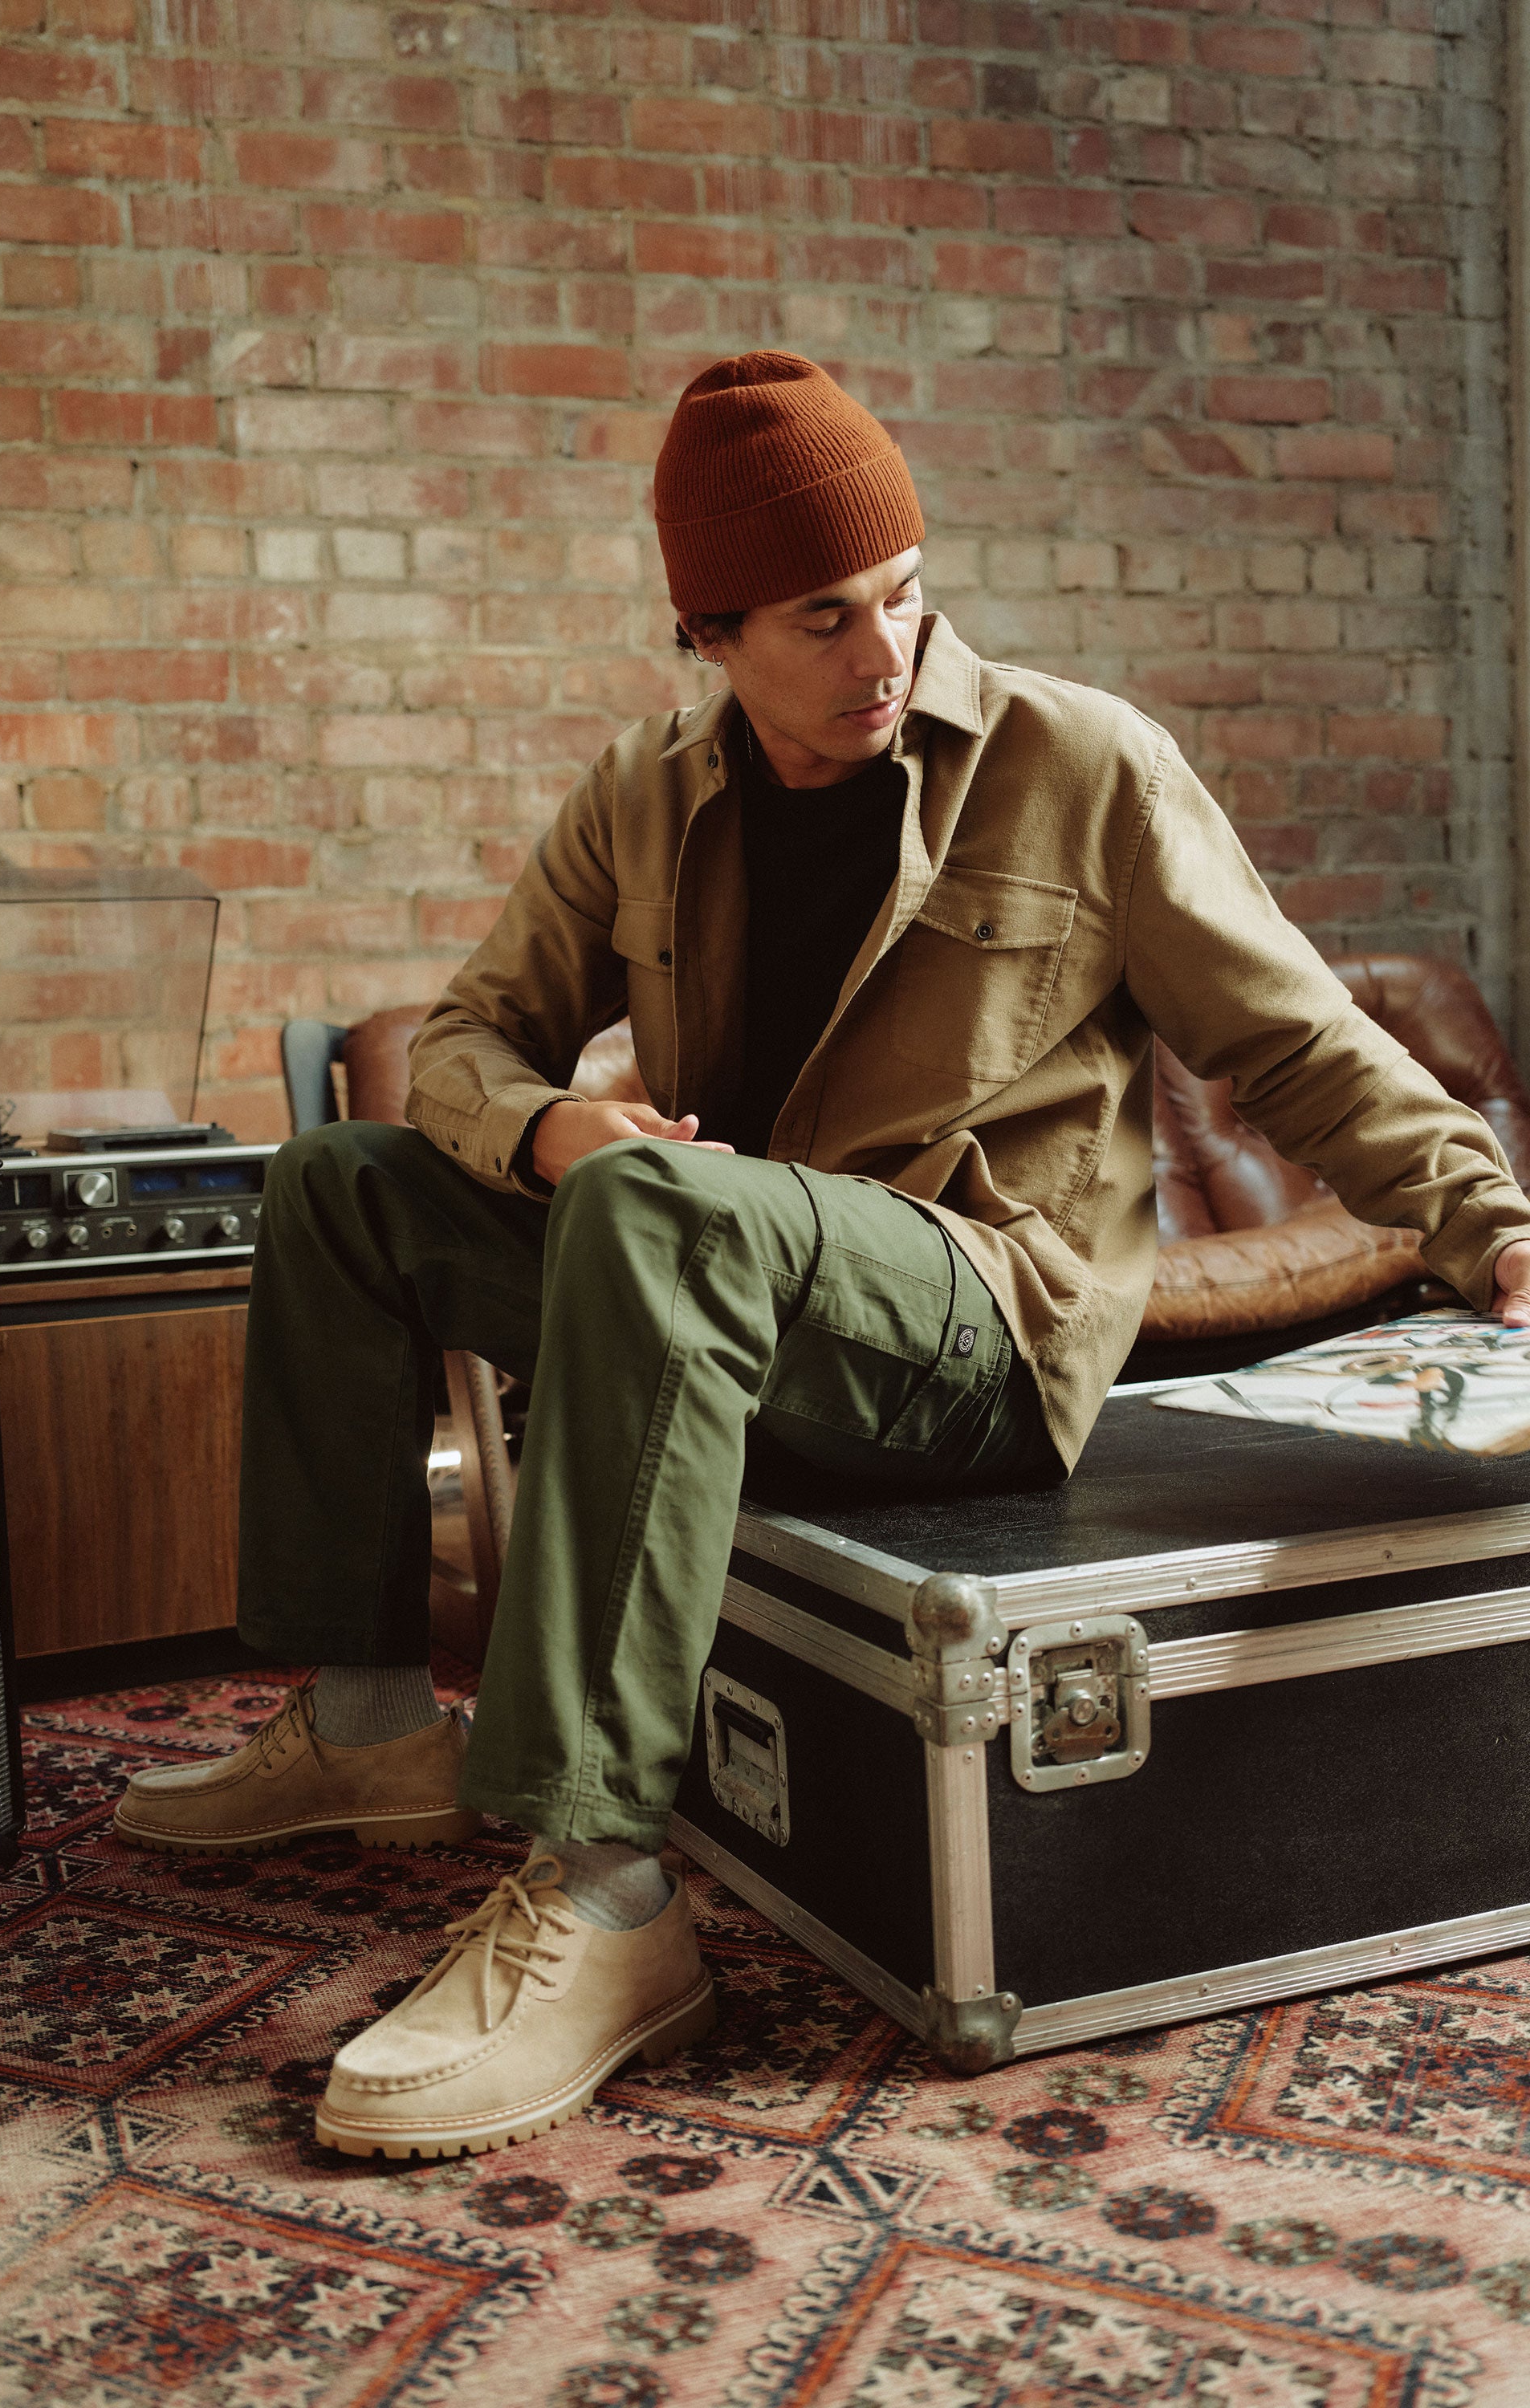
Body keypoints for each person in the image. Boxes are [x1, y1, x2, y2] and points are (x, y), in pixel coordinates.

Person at [113, 350, 1530, 2159]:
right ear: (708, 628)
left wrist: (1485, 1214)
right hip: (730, 1293)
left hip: (976, 1333)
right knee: (342, 1178)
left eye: (907, 593)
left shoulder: (1077, 765)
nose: (887, 653)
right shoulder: (645, 792)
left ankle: (605, 1891)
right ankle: (372, 1719)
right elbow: (471, 1040)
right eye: (823, 616)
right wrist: (545, 1124)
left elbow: (1295, 1041)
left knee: (656, 1211)